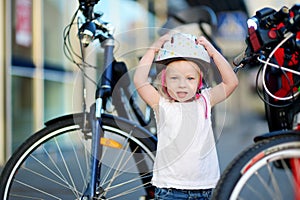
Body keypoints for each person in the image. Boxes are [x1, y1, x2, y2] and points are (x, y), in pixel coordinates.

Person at [134, 32, 238, 200]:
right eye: (174, 78)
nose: (182, 84)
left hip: (205, 189)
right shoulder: (161, 104)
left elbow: (231, 82)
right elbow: (140, 81)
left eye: (190, 78)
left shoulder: (205, 100)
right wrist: (153, 49)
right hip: (170, 190)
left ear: (199, 81)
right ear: (165, 81)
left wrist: (212, 52)